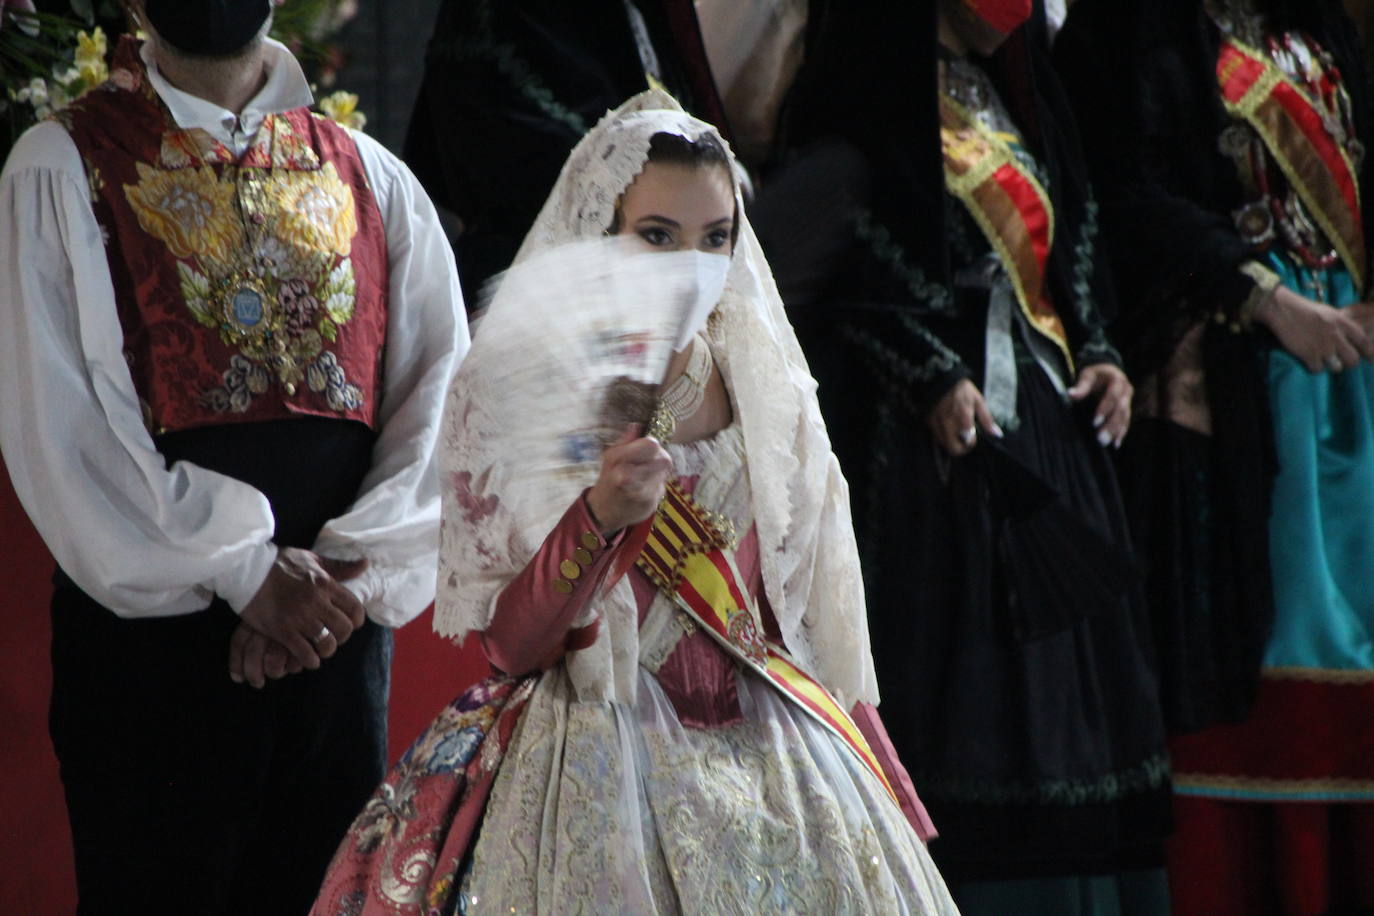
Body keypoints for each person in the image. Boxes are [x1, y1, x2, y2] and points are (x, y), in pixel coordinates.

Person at [314, 91, 958, 915]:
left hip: (773, 756)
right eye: (658, 237)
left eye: (714, 239)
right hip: (591, 737)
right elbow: (512, 647)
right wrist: (600, 518)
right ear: (602, 233)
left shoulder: (766, 387)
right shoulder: (531, 387)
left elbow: (799, 624)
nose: (690, 265)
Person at [0, 0, 466, 911]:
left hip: (333, 652)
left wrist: (340, 581)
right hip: (154, 666)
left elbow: (441, 402)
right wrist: (247, 573)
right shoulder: (61, 166)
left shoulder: (373, 176)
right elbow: (66, 432)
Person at [776, 1, 1172, 911]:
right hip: (928, 460)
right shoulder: (863, 99)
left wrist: (1101, 350)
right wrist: (924, 370)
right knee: (966, 701)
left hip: (1046, 427)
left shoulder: (1013, 94)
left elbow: (1070, 239)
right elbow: (831, 272)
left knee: (1076, 700)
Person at [1056, 0, 1374, 911]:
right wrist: (1267, 300)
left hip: (1350, 365)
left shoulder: (1322, 19)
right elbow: (1116, 194)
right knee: (1269, 649)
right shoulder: (1128, 27)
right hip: (1232, 382)